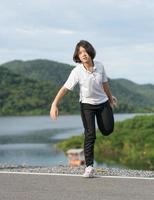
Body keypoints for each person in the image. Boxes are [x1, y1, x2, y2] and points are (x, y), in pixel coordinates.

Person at [50, 40, 117, 178]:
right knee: (90, 134)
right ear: (78, 56)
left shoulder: (100, 66)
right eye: (80, 52)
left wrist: (110, 98)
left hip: (103, 103)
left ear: (90, 52)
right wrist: (54, 104)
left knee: (107, 130)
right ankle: (89, 167)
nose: (83, 54)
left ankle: (102, 122)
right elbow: (65, 88)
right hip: (87, 105)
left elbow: (105, 84)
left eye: (85, 51)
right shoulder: (77, 71)